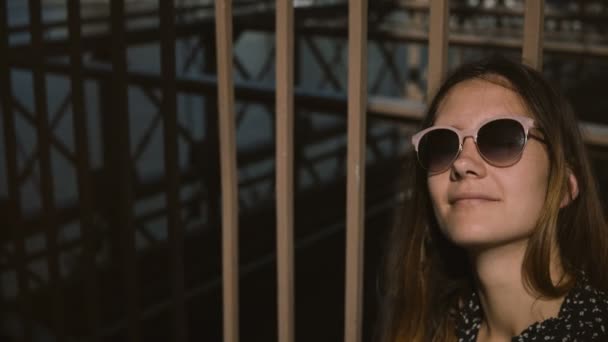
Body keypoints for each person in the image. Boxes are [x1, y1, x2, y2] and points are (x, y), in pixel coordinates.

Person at [377, 55, 608, 341]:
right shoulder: (442, 323)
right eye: (442, 145)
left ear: (564, 186)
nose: (462, 164)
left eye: (502, 139)